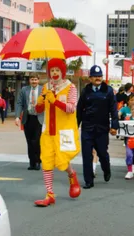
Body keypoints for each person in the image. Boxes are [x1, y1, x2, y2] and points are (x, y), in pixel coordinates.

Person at [33, 58, 81, 207]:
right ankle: (49, 194)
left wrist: (55, 101)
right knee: (46, 161)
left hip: (65, 131)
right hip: (48, 130)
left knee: (62, 160)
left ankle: (71, 175)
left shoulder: (71, 87)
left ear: (62, 72)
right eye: (52, 70)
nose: (54, 73)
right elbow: (39, 110)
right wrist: (40, 103)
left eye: (57, 70)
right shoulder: (46, 87)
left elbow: (72, 108)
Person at [77, 65, 119, 189]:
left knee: (102, 153)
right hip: (88, 128)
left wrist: (114, 126)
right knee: (86, 155)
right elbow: (79, 110)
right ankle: (89, 181)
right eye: (95, 77)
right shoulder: (86, 91)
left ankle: (106, 169)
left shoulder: (109, 91)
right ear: (90, 78)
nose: (98, 78)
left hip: (102, 128)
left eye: (99, 76)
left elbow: (114, 110)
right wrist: (75, 126)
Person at [15, 73, 44, 171]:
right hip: (28, 118)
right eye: (32, 79)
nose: (34, 81)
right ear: (29, 81)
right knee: (29, 141)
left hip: (39, 118)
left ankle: (38, 161)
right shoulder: (24, 90)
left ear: (38, 80)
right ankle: (32, 162)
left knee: (36, 141)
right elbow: (19, 103)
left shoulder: (43, 90)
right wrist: (18, 117)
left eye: (35, 79)